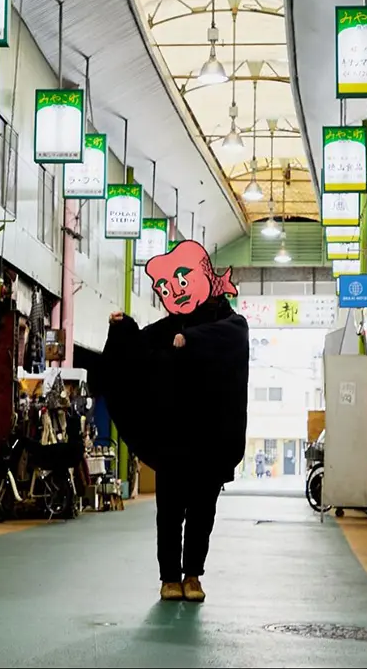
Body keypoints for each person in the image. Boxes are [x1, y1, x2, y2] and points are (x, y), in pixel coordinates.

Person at [86, 240, 249, 604]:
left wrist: (188, 339)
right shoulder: (166, 326)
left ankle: (193, 575)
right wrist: (123, 328)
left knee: (203, 510)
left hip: (211, 436)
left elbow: (231, 338)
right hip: (173, 437)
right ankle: (168, 577)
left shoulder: (229, 322)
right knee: (170, 510)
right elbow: (137, 354)